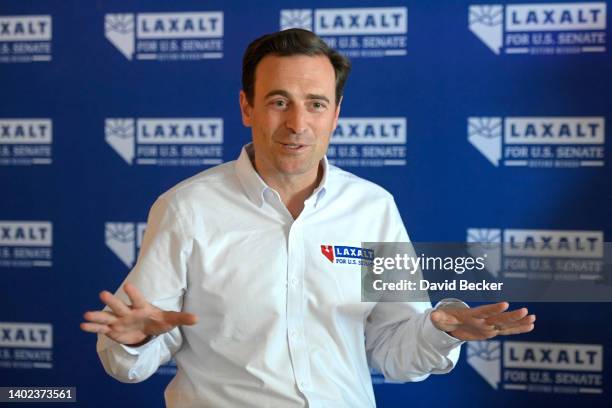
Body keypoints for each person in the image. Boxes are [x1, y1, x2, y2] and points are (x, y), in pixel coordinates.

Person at [81, 29, 535, 407]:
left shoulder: (373, 207)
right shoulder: (186, 208)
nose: (298, 123)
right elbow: (128, 360)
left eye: (316, 104)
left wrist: (439, 331)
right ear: (246, 107)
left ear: (335, 114)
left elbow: (395, 353)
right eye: (279, 101)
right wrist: (136, 341)